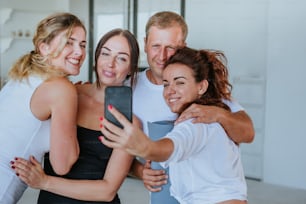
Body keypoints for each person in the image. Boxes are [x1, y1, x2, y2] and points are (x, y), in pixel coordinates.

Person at [129, 11, 254, 203]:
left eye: (170, 47)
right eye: (156, 46)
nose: (162, 56)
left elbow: (247, 133)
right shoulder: (128, 89)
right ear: (145, 44)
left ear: (182, 47)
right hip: (168, 193)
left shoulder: (200, 87)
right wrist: (139, 171)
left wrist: (219, 114)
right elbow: (111, 153)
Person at [100, 46, 248, 204]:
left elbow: (173, 145)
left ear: (202, 87)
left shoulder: (196, 122)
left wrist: (145, 147)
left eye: (180, 83)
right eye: (166, 84)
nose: (169, 91)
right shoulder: (214, 116)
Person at [11, 28, 141, 204]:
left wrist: (45, 182)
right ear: (96, 58)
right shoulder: (65, 94)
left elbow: (107, 191)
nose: (110, 64)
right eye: (105, 54)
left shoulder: (129, 122)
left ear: (131, 68)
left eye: (122, 58)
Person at [0, 12, 86, 204]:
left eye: (82, 44)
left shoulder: (23, 74)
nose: (79, 52)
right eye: (69, 42)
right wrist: (79, 105)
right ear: (44, 47)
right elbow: (62, 165)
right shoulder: (61, 88)